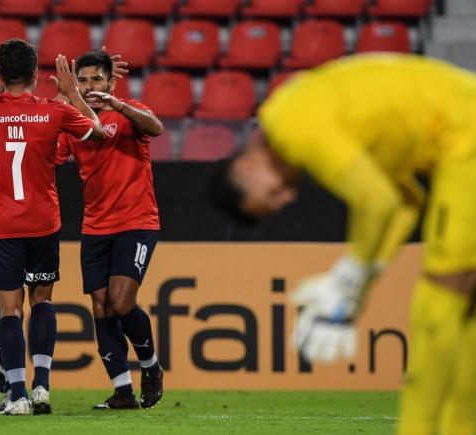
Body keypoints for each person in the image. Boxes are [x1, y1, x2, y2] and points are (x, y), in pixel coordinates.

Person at [211, 53, 476, 435]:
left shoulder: (293, 128)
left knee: (439, 300)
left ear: (247, 166)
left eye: (274, 194)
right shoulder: (315, 118)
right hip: (462, 122)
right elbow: (404, 206)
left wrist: (348, 279)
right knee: (463, 308)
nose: (287, 198)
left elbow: (376, 202)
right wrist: (360, 287)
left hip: (464, 136)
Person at [0, 38, 105, 415]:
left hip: (1, 226)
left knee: (9, 311)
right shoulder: (54, 111)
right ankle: (41, 386)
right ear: (36, 73)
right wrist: (73, 94)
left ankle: (18, 394)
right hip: (43, 223)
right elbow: (99, 131)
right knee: (42, 301)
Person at [56, 50, 165, 409]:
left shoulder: (128, 111)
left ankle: (150, 367)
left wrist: (117, 104)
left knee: (120, 302)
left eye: (96, 80)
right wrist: (63, 98)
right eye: (82, 80)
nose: (89, 87)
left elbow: (156, 127)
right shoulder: (74, 124)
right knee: (101, 308)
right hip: (95, 226)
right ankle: (122, 391)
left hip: (136, 222)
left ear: (111, 82)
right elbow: (52, 154)